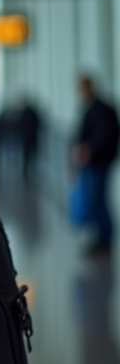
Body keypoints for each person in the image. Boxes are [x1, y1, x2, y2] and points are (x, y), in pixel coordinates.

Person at [73, 75, 118, 256]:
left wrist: (89, 149)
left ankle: (105, 239)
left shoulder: (101, 110)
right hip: (94, 162)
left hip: (100, 162)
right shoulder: (92, 108)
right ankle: (101, 238)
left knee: (99, 200)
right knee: (95, 200)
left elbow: (104, 135)